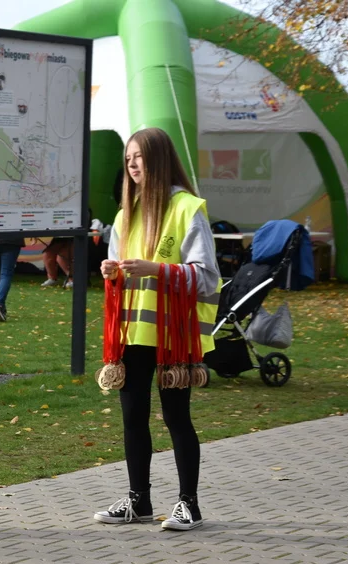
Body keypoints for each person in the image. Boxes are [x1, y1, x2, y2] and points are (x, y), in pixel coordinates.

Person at [92, 127, 220, 532]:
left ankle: (189, 504)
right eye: (128, 158)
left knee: (175, 416)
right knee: (132, 417)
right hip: (133, 333)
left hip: (172, 335)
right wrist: (111, 272)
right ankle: (138, 501)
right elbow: (122, 273)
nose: (131, 164)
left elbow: (206, 277)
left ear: (159, 160)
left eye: (139, 157)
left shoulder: (186, 208)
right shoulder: (124, 213)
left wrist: (155, 270)